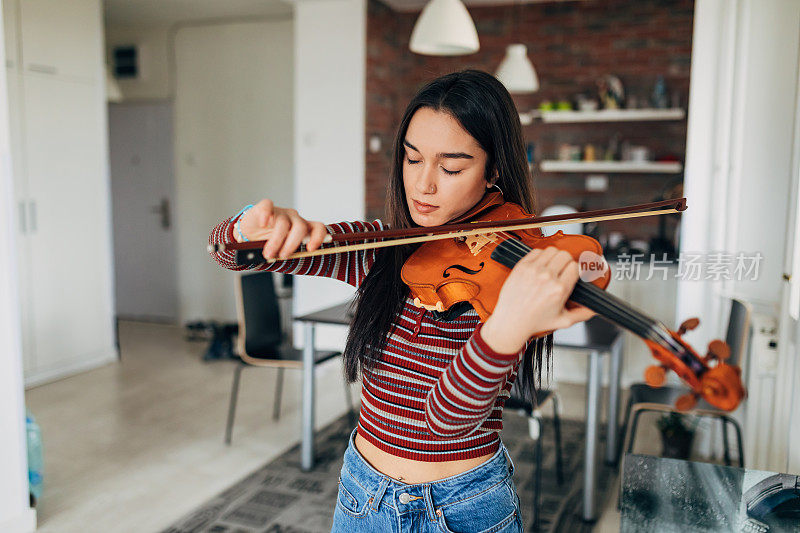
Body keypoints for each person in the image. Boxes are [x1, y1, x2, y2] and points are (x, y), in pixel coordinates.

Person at [208, 69, 594, 532]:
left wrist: (509, 326)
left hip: (466, 506)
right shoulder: (379, 249)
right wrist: (252, 229)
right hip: (363, 494)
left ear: (494, 169)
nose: (424, 185)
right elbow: (229, 254)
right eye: (412, 160)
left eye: (451, 168)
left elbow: (444, 422)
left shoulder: (514, 275)